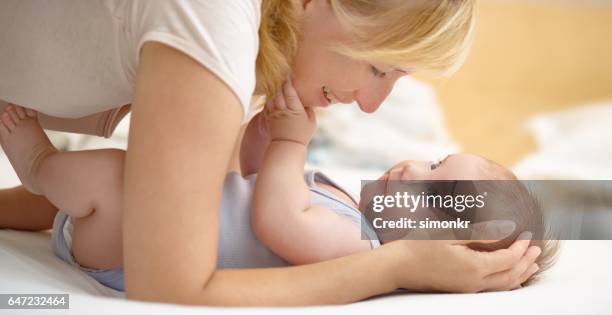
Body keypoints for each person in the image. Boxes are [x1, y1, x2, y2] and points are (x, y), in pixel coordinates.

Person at [0, 0, 543, 305]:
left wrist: (284, 142)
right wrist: (273, 143)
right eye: (380, 68)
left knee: (112, 182)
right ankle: (41, 172)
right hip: (131, 238)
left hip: (120, 239)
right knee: (114, 183)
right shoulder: (216, 21)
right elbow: (250, 198)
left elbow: (275, 214)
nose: (374, 106)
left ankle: (40, 165)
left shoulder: (359, 239)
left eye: (432, 193)